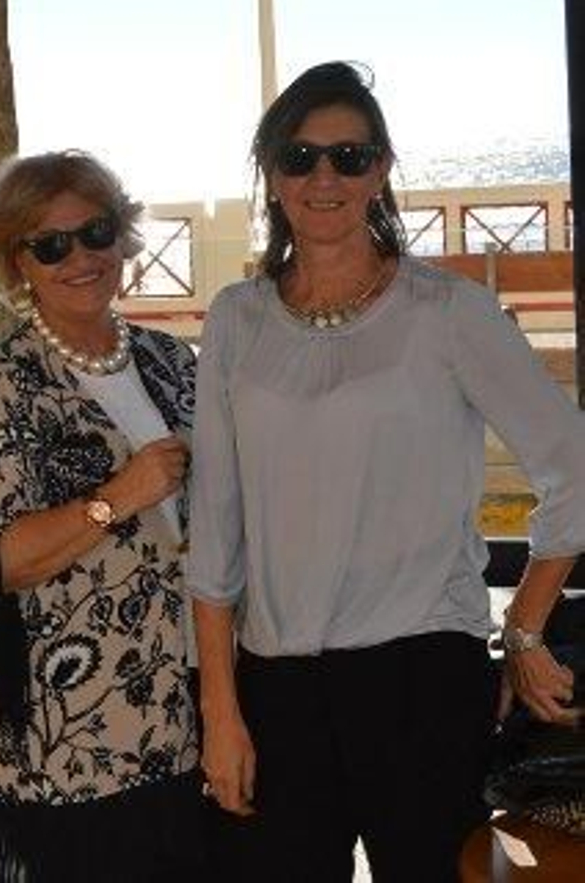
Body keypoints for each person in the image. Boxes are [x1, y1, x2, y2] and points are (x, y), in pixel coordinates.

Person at [188, 60, 585, 880]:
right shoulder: (236, 318)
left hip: (419, 682)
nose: (323, 177)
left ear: (383, 170)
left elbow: (572, 464)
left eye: (350, 155)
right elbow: (216, 528)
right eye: (299, 157)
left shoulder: (449, 311)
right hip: (274, 687)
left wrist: (526, 625)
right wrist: (220, 707)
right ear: (269, 173)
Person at [0, 150, 203, 880]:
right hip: (72, 739)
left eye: (95, 232)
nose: (80, 256)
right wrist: (118, 495)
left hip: (191, 713)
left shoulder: (173, 361)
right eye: (50, 245)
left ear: (123, 236)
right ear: (16, 262)